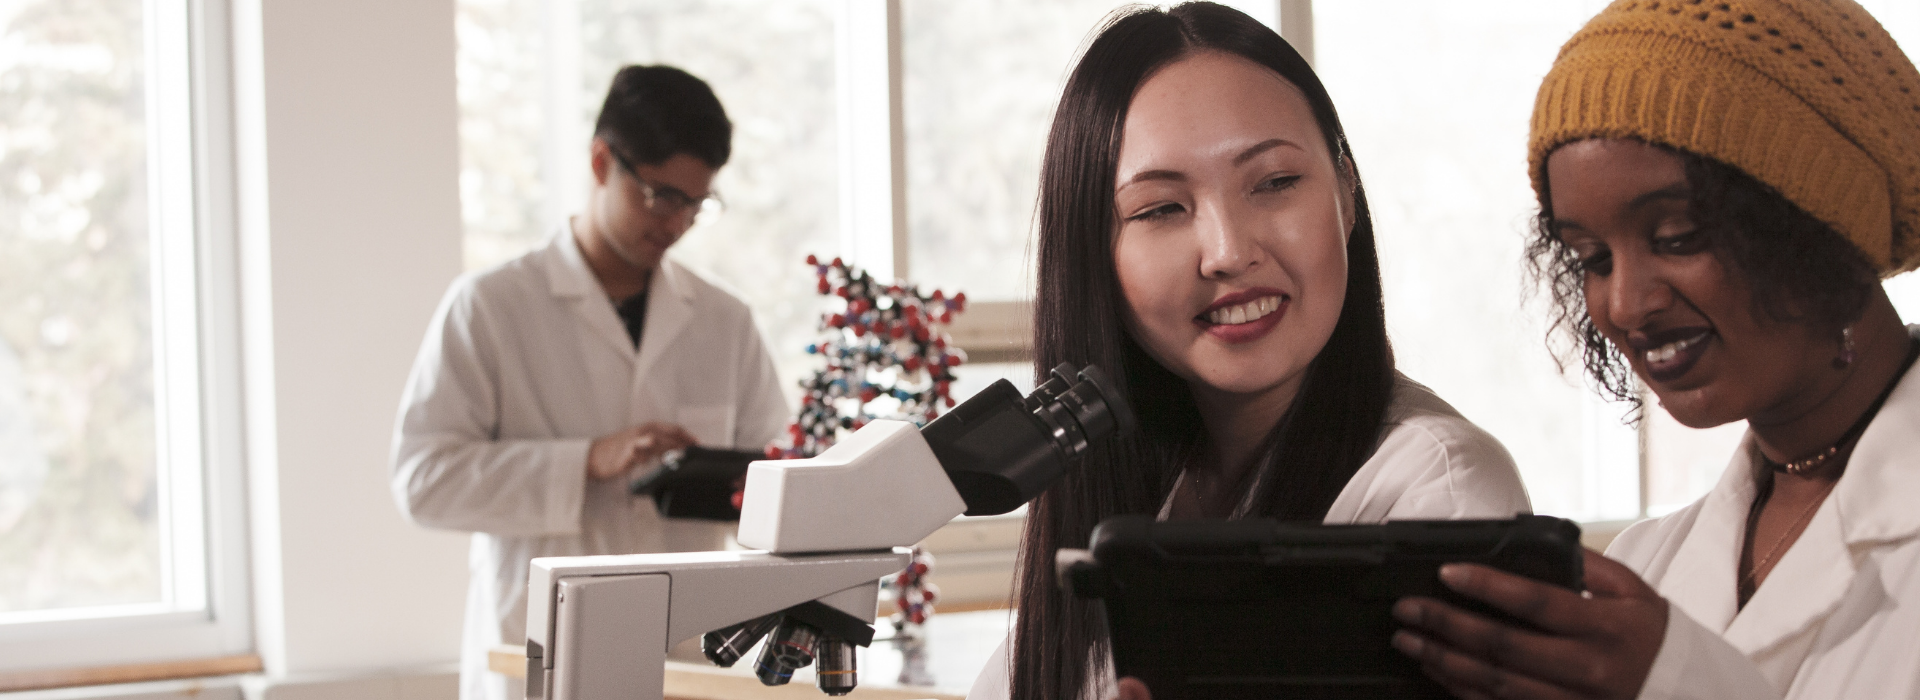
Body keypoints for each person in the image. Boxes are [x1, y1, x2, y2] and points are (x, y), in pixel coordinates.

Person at [966, 5, 1533, 700]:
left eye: (1275, 183)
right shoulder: (1142, 488)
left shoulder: (1440, 493)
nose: (1230, 252)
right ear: (1095, 259)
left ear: (1346, 197)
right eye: (1161, 209)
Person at [1389, 1, 1920, 698]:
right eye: (1591, 257)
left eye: (1677, 238)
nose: (1625, 305)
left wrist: (1676, 682)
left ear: (1823, 228)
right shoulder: (1645, 568)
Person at [389, 65, 788, 700]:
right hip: (537, 659)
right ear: (602, 162)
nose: (675, 222)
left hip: (681, 662)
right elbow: (423, 483)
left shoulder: (724, 322)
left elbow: (780, 483)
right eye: (660, 195)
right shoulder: (490, 307)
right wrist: (582, 463)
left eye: (695, 202)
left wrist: (733, 482)